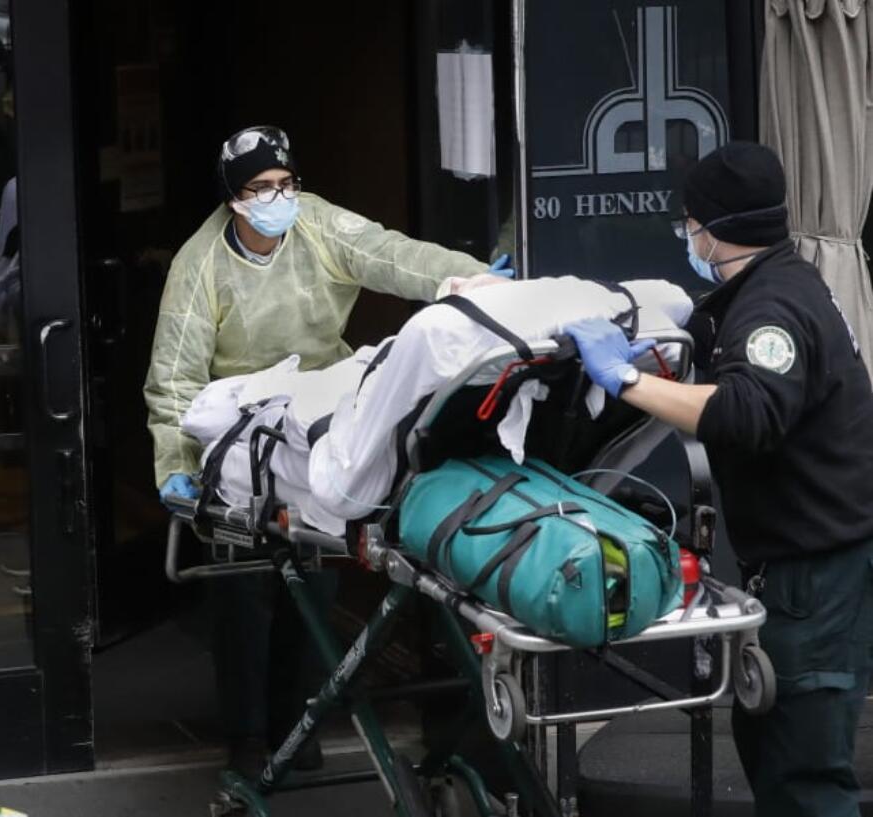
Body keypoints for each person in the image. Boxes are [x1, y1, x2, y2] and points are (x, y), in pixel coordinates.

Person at [144, 125, 501, 773]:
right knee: (246, 593)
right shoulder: (200, 268)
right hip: (240, 434)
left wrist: (468, 279)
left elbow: (391, 255)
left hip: (314, 418)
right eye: (262, 189)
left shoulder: (315, 226)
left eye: (286, 184)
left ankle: (299, 723)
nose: (278, 199)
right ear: (233, 199)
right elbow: (174, 376)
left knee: (310, 580)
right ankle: (249, 738)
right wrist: (177, 466)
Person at [565, 141, 873, 817]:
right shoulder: (780, 283)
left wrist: (626, 379)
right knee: (767, 739)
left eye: (690, 223)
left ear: (715, 229)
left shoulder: (773, 311)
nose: (687, 235)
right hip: (800, 565)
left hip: (814, 575)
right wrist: (687, 339)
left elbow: (745, 411)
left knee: (805, 773)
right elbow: (732, 340)